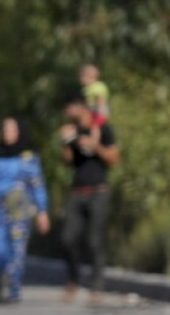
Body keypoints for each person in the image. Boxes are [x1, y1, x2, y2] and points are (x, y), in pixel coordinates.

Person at [0, 117, 50, 304]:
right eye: (5, 130)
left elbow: (37, 185)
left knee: (16, 252)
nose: (8, 134)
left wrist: (42, 211)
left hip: (19, 211)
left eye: (12, 130)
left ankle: (12, 288)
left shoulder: (28, 158)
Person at [60, 96, 119, 303]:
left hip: (98, 192)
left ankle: (96, 287)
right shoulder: (73, 131)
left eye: (71, 106)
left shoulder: (104, 129)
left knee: (95, 242)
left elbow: (113, 159)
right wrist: (66, 142)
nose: (68, 111)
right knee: (68, 239)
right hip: (77, 191)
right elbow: (68, 162)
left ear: (83, 108)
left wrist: (96, 146)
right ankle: (73, 281)